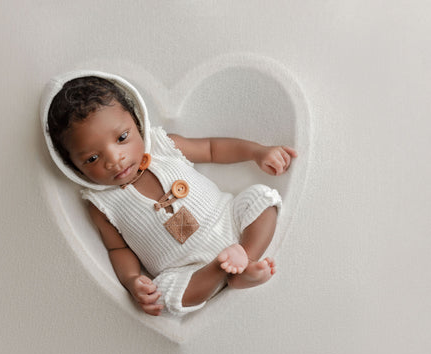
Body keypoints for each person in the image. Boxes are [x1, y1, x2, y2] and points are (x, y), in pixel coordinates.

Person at [41, 71, 297, 316]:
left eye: (121, 137)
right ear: (73, 166)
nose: (115, 159)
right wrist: (132, 280)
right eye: (93, 158)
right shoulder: (101, 204)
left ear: (137, 122)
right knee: (163, 298)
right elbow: (117, 249)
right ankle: (223, 269)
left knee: (260, 198)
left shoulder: (164, 146)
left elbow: (211, 149)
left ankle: (246, 259)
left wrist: (257, 152)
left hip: (228, 221)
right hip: (188, 270)